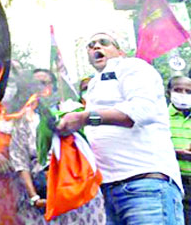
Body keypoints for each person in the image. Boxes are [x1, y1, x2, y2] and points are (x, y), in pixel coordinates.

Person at [57, 32, 184, 224]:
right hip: (105, 193)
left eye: (104, 42)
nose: (96, 47)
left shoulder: (133, 66)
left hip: (145, 186)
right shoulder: (93, 85)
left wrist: (85, 117)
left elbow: (143, 110)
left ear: (120, 51)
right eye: (91, 45)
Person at [9, 70, 105, 224]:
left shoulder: (72, 111)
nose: (40, 88)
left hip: (80, 193)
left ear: (54, 87)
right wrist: (34, 197)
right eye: (35, 83)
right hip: (43, 195)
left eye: (45, 82)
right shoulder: (24, 121)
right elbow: (20, 162)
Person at [166, 75, 191, 223]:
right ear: (168, 92)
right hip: (176, 184)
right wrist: (176, 153)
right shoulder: (160, 118)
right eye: (178, 90)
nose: (183, 95)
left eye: (188, 91)